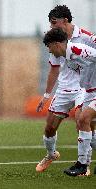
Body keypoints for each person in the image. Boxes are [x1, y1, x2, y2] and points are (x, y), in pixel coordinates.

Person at [35, 5, 96, 175]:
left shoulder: (85, 39)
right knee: (49, 128)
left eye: (54, 23)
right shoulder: (56, 43)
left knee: (82, 121)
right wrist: (47, 95)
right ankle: (51, 154)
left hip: (84, 89)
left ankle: (84, 165)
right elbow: (54, 69)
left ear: (66, 20)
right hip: (65, 89)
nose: (52, 27)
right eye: (50, 24)